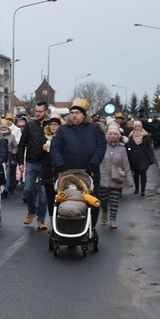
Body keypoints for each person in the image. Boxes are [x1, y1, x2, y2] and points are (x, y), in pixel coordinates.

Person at [50, 98, 107, 228]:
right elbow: (55, 148)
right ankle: (64, 225)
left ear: (84, 115)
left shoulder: (94, 128)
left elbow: (101, 147)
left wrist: (93, 163)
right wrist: (60, 164)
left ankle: (90, 227)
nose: (74, 115)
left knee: (92, 199)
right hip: (68, 172)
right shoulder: (63, 130)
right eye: (72, 112)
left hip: (89, 171)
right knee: (65, 198)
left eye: (77, 113)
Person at [16, 101, 50, 230]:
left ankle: (41, 220)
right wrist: (20, 162)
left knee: (43, 194)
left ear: (45, 111)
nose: (37, 113)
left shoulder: (50, 125)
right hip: (31, 162)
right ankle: (31, 211)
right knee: (28, 189)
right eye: (36, 111)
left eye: (40, 111)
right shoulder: (30, 125)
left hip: (45, 163)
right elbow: (22, 144)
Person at [98, 124, 134, 229]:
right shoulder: (102, 147)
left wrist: (129, 180)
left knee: (114, 200)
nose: (113, 136)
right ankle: (104, 211)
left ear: (118, 136)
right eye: (111, 134)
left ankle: (113, 219)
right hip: (103, 177)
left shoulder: (122, 149)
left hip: (116, 178)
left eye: (115, 134)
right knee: (103, 199)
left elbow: (126, 165)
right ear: (107, 135)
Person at [40, 112, 62, 222]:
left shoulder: (63, 138)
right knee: (50, 198)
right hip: (48, 173)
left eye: (56, 124)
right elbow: (37, 156)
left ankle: (60, 219)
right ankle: (52, 221)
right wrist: (43, 150)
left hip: (59, 173)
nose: (53, 127)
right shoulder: (43, 138)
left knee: (60, 197)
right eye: (51, 124)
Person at [126, 120, 156, 196]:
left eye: (139, 126)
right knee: (136, 173)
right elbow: (128, 147)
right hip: (134, 157)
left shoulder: (146, 136)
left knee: (143, 173)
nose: (138, 128)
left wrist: (151, 157)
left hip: (144, 156)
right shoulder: (131, 136)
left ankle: (143, 190)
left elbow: (149, 147)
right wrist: (129, 153)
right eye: (136, 127)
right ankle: (136, 188)